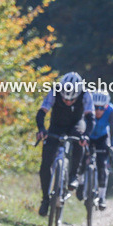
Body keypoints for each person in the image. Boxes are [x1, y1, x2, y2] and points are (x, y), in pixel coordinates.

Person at [35, 72, 95, 217]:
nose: (68, 102)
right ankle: (45, 199)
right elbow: (42, 112)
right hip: (56, 126)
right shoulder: (54, 91)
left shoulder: (86, 94)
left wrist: (86, 135)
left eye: (72, 99)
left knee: (79, 140)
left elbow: (90, 118)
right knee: (45, 164)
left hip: (76, 125)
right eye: (65, 99)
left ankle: (73, 175)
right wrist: (42, 129)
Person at [86, 90, 113, 210]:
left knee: (102, 166)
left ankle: (101, 197)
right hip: (88, 136)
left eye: (101, 108)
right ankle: (80, 182)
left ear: (106, 106)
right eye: (95, 107)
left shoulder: (111, 110)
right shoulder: (87, 108)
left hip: (102, 138)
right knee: (81, 157)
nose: (98, 110)